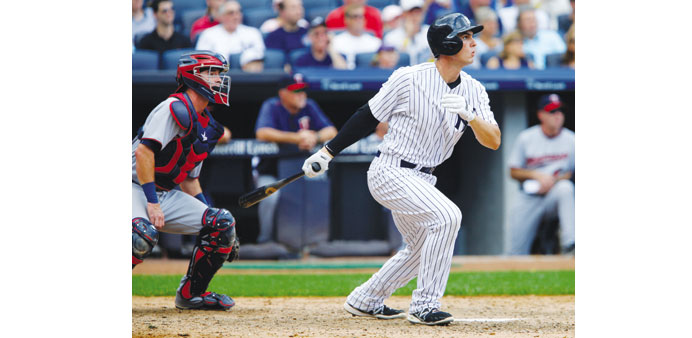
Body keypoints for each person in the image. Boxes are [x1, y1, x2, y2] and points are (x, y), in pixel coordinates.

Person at [301, 13, 501, 325]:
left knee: (421, 248)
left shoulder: (474, 90)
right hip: (391, 171)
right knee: (448, 217)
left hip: (424, 179)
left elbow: (494, 141)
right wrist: (328, 152)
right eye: (465, 38)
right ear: (447, 43)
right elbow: (367, 116)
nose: (474, 43)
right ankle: (425, 306)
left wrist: (471, 117)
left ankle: (365, 299)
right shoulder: (409, 78)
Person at [132, 51, 239, 310]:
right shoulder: (174, 107)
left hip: (164, 192)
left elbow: (191, 181)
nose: (218, 79)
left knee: (222, 224)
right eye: (211, 73)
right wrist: (152, 202)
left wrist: (212, 217)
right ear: (192, 76)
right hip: (134, 186)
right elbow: (144, 152)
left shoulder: (207, 126)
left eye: (218, 74)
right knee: (139, 236)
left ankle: (191, 294)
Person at [254, 73, 338, 246]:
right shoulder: (272, 105)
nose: (301, 95)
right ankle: (266, 242)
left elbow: (331, 131)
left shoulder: (309, 106)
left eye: (303, 90)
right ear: (282, 93)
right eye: (295, 91)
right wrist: (298, 138)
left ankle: (313, 243)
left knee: (319, 192)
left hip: (300, 172)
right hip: (271, 170)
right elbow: (262, 132)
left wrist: (314, 136)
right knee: (270, 198)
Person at [507, 93, 574, 255]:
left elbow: (572, 173)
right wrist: (537, 176)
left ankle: (570, 243)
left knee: (565, 188)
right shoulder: (526, 137)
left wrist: (554, 180)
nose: (557, 116)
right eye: (552, 111)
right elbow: (513, 171)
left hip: (554, 194)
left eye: (560, 111)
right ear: (541, 115)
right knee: (516, 251)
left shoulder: (572, 140)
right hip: (529, 196)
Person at [195, 0, 265, 68]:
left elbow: (260, 54)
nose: (236, 17)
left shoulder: (253, 33)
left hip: (246, 76)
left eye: (238, 12)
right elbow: (201, 60)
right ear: (221, 16)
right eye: (230, 13)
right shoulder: (208, 34)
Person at [331, 4, 382, 69]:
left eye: (361, 17)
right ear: (346, 19)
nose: (359, 20)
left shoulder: (376, 42)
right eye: (355, 16)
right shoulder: (335, 41)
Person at [383, 0, 432, 66]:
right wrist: (408, 36)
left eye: (418, 12)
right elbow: (396, 63)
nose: (415, 16)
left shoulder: (431, 32)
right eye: (411, 12)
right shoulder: (391, 37)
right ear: (403, 14)